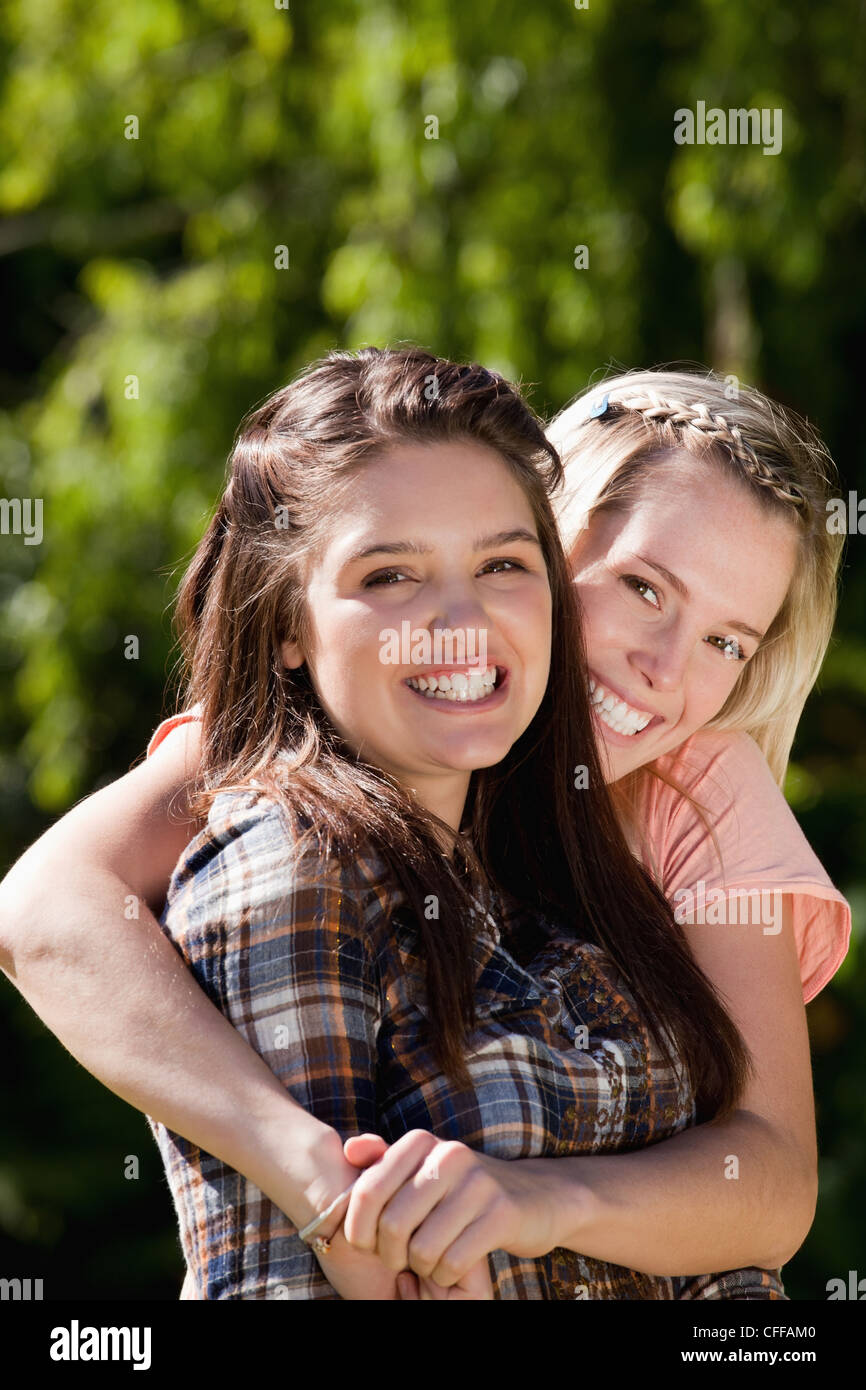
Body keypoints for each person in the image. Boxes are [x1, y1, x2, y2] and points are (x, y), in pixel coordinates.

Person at [0, 350, 847, 1298]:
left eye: (727, 641)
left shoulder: (697, 782)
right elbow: (45, 907)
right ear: (546, 538)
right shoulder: (319, 760)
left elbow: (770, 1179)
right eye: (642, 588)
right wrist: (325, 1179)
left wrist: (538, 1201)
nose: (665, 668)